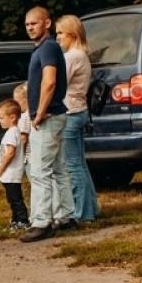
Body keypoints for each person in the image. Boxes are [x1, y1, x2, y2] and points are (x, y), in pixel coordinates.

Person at [20, 6, 74, 242]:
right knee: (59, 168)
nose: (30, 27)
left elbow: (49, 82)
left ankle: (41, 221)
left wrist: (39, 113)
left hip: (49, 117)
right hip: (57, 115)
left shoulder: (48, 48)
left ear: (47, 23)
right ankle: (65, 215)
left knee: (39, 171)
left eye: (35, 23)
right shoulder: (45, 48)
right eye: (27, 24)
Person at [57, 14, 99, 223]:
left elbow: (58, 83)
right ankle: (91, 208)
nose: (58, 38)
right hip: (80, 110)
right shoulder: (82, 55)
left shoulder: (71, 57)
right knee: (80, 163)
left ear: (71, 34)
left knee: (72, 165)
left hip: (71, 112)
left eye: (60, 33)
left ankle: (82, 212)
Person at [0, 98, 30, 232]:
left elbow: (10, 153)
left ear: (12, 117)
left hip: (10, 173)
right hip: (10, 174)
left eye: (1, 118)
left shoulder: (11, 133)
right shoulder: (14, 132)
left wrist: (0, 168)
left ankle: (22, 220)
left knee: (15, 199)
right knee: (12, 198)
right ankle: (16, 220)